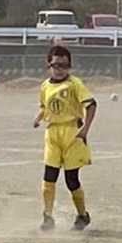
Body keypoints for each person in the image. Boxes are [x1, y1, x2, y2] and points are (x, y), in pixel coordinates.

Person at [33, 46, 97, 231]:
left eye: (65, 65)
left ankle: (82, 215)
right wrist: (38, 118)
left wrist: (85, 129)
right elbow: (45, 106)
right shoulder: (45, 86)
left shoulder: (74, 84)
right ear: (49, 65)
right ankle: (47, 216)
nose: (61, 69)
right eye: (57, 65)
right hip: (52, 134)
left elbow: (91, 106)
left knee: (71, 180)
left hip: (72, 133)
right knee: (49, 177)